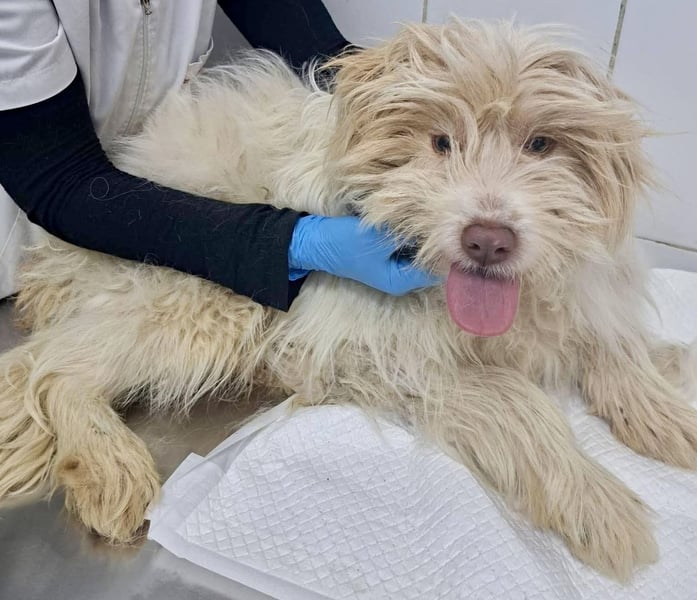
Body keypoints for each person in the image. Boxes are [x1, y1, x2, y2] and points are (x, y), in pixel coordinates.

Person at [0, 0, 441, 310]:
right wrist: (296, 242)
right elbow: (60, 180)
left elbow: (320, 55)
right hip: (29, 236)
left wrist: (417, 100)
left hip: (164, 198)